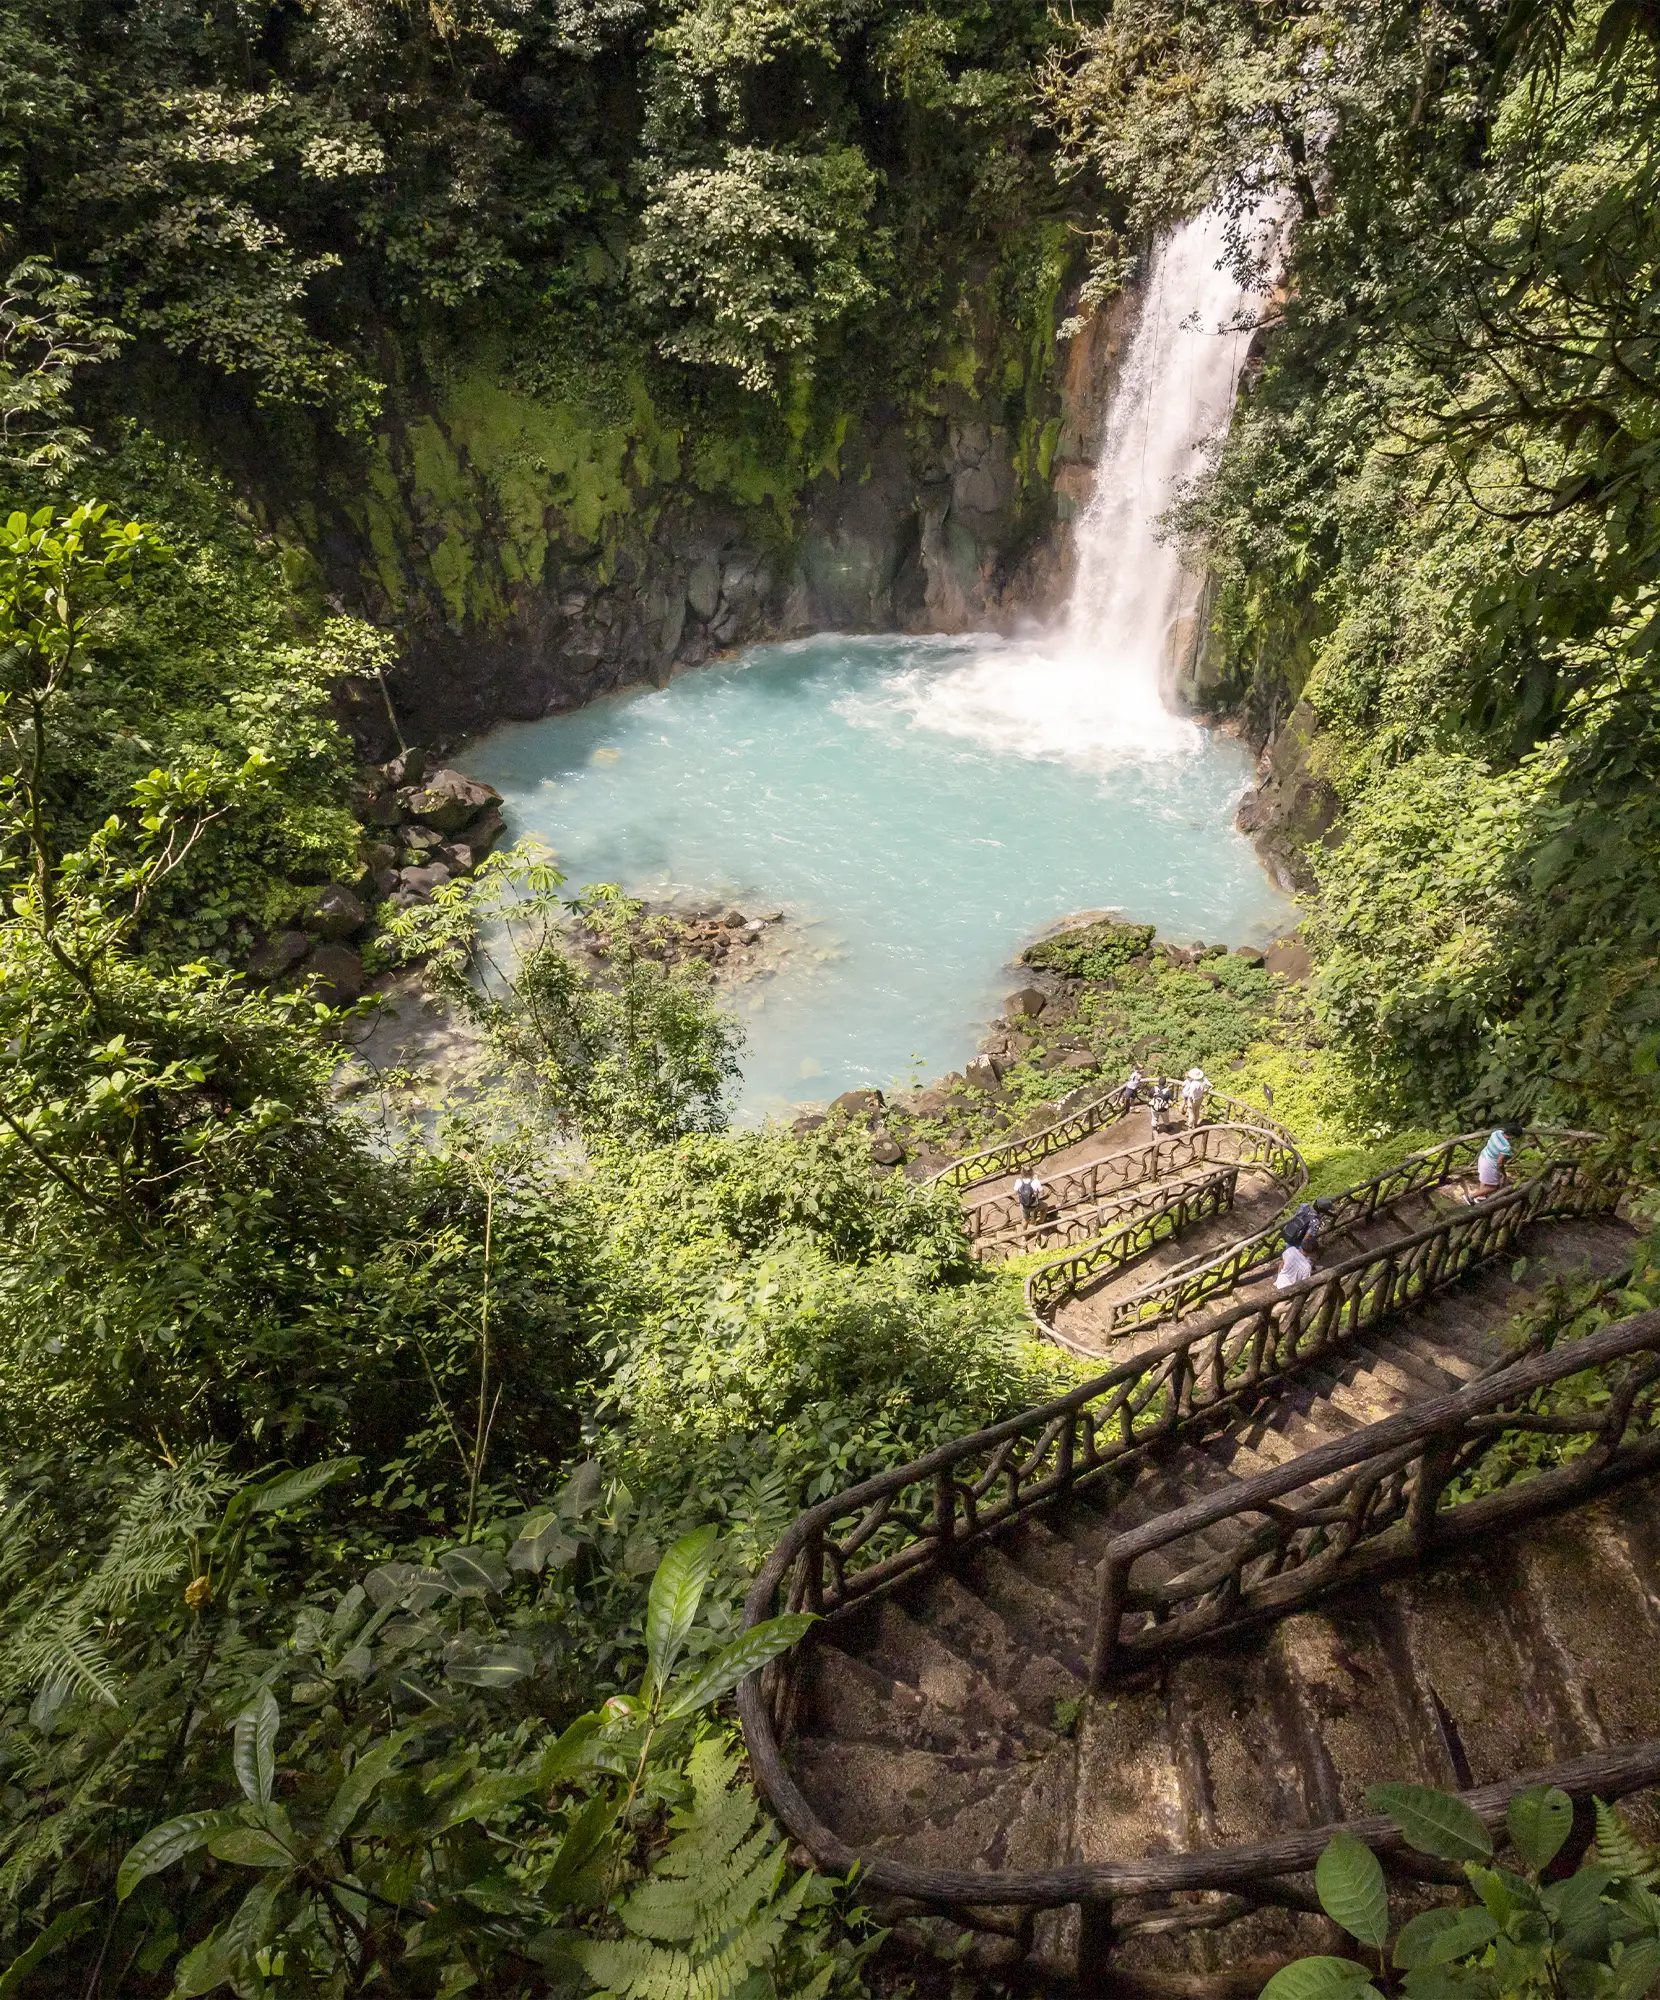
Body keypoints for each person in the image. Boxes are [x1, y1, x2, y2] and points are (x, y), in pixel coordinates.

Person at [1476, 1125, 1520, 1197]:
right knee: (1493, 1187)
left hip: (1483, 1157)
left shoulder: (1496, 1133)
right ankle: (1470, 1197)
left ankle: (1480, 1197)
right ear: (1513, 1136)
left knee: (1484, 1179)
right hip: (1489, 1164)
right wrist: (1503, 1174)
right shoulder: (1506, 1147)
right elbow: (1499, 1162)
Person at [1180, 1066, 1211, 1131]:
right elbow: (1210, 1085)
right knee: (1197, 1112)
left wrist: (1190, 1099)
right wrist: (1206, 1091)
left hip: (1193, 1100)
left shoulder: (1194, 1084)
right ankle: (1196, 1124)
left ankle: (1190, 1126)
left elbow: (1191, 1095)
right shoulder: (1204, 1081)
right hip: (1200, 1098)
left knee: (1191, 1114)